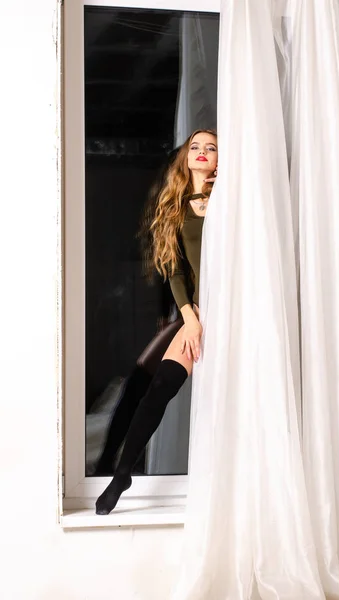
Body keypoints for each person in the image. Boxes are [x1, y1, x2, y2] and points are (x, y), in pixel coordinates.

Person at [95, 129, 218, 515]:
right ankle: (122, 472)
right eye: (195, 147)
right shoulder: (178, 209)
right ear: (184, 158)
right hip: (198, 311)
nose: (201, 152)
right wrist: (190, 319)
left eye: (211, 148)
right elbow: (177, 274)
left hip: (239, 312)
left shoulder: (234, 202)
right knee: (160, 385)